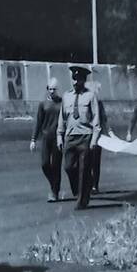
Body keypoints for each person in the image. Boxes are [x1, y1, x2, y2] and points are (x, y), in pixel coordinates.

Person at [56, 64, 102, 210]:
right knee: (68, 167)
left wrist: (94, 139)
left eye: (79, 79)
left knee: (84, 169)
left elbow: (96, 119)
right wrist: (59, 136)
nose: (76, 82)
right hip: (70, 137)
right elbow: (61, 119)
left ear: (84, 80)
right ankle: (81, 190)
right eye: (74, 79)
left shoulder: (90, 96)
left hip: (85, 137)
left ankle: (82, 201)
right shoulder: (66, 96)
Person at [30, 78, 63, 202]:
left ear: (57, 90)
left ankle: (54, 192)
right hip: (46, 137)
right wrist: (33, 139)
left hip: (58, 138)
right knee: (45, 164)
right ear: (47, 89)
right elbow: (38, 122)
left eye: (54, 89)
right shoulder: (43, 104)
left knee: (56, 165)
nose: (52, 91)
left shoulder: (62, 102)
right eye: (50, 89)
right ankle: (54, 184)